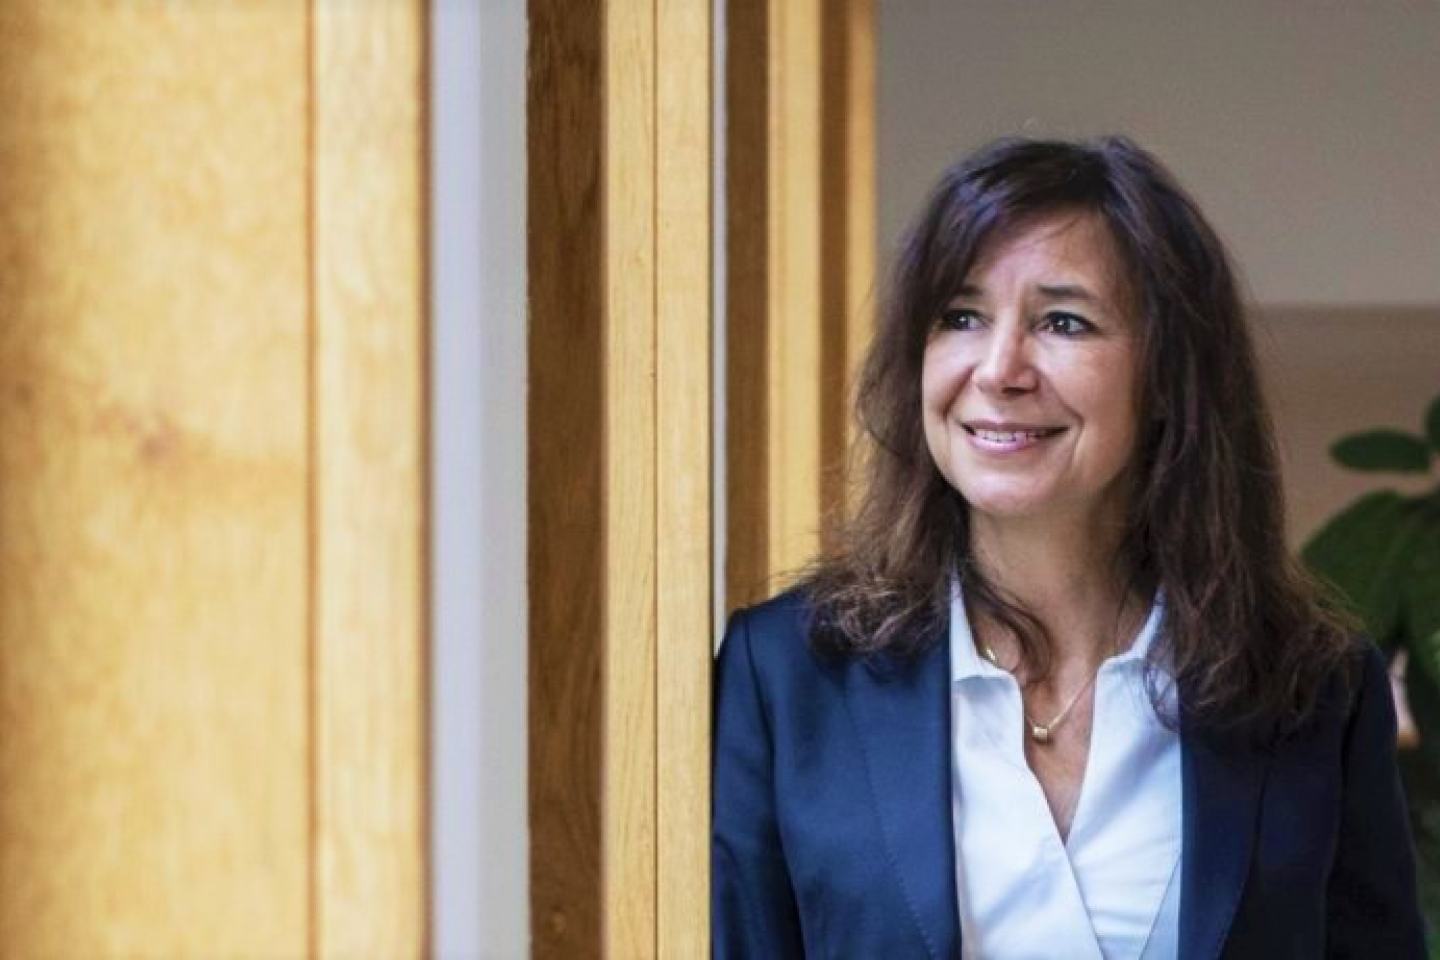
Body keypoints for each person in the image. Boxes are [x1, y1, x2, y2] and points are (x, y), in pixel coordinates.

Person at [711, 136, 1425, 958]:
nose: (998, 368)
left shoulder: (1315, 689)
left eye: (1063, 321)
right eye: (962, 317)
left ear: (1168, 380)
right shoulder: (787, 676)